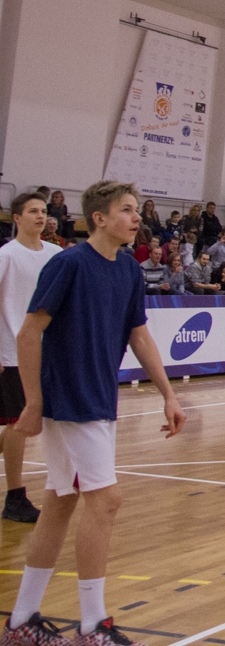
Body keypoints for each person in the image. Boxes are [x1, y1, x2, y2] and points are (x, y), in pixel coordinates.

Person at [2, 180, 186, 646]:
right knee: (105, 501)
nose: (136, 217)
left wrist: (168, 394)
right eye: (126, 210)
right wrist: (34, 402)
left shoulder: (127, 270)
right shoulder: (68, 264)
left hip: (100, 397)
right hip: (70, 399)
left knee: (60, 502)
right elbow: (28, 333)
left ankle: (21, 621)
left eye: (136, 209)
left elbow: (139, 335)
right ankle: (93, 626)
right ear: (99, 218)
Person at [0, 194, 61, 525]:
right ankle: (15, 497)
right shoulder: (7, 255)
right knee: (17, 423)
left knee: (28, 424)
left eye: (44, 211)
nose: (41, 216)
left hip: (46, 350)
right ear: (17, 218)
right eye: (33, 211)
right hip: (12, 351)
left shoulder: (55, 255)